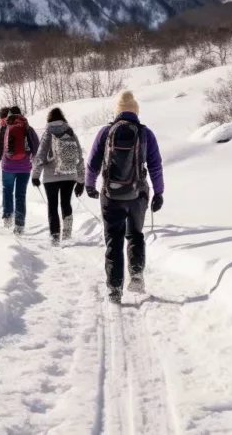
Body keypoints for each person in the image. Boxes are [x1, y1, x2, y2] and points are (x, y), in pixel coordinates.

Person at [85, 91, 164, 304]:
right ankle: (136, 274)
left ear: (117, 112)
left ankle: (114, 289)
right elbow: (155, 166)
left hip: (111, 196)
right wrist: (159, 192)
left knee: (113, 241)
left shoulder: (106, 132)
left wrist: (90, 185)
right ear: (136, 112)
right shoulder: (146, 134)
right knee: (135, 234)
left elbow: (92, 163)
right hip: (138, 195)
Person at [32, 107, 85, 246]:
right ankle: (67, 234)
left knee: (53, 206)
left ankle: (55, 236)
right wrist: (81, 180)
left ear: (49, 119)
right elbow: (79, 156)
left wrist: (35, 175)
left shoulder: (47, 133)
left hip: (51, 177)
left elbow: (41, 156)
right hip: (69, 175)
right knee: (66, 203)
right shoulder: (70, 132)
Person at [0, 105, 39, 235]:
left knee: (7, 191)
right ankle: (20, 225)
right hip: (24, 168)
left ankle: (7, 217)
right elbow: (37, 147)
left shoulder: (5, 128)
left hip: (8, 167)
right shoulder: (27, 128)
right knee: (20, 195)